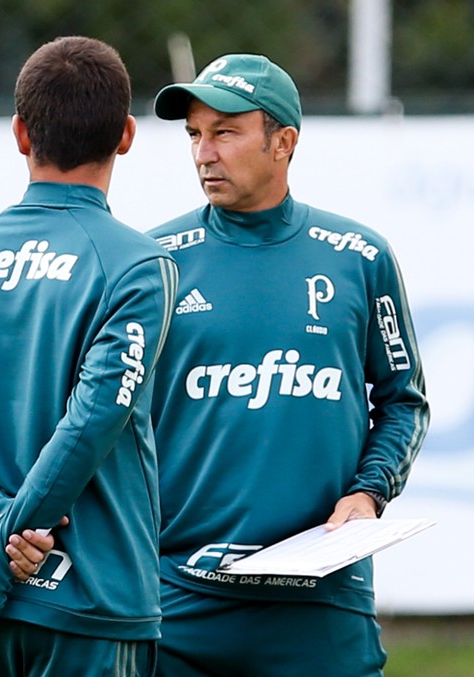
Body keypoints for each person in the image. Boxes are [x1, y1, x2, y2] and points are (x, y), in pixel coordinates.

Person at [0, 36, 179, 676]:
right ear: (127, 135)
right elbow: (93, 422)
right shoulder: (139, 267)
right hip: (89, 602)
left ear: (20, 133)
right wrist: (3, 544)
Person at [147, 54, 430, 676]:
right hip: (178, 599)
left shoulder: (360, 257)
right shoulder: (152, 262)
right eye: (194, 134)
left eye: (224, 131)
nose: (203, 153)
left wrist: (368, 493)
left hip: (320, 602)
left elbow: (404, 400)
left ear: (284, 142)